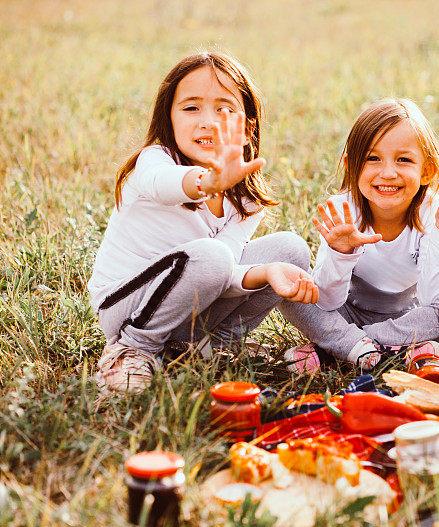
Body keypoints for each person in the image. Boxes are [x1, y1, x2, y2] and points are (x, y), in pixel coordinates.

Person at [89, 51, 319, 393]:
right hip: (125, 307)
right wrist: (206, 182)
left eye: (224, 109)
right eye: (191, 107)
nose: (207, 121)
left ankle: (213, 347)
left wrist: (267, 273)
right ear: (169, 118)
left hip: (188, 310)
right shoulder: (156, 162)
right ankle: (131, 351)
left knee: (289, 250)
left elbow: (221, 273)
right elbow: (162, 185)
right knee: (212, 254)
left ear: (247, 128)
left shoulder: (246, 201)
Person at [280, 98, 439, 373]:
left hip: (409, 318)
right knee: (289, 286)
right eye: (373, 158)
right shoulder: (343, 211)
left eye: (404, 160)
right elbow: (328, 300)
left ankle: (341, 347)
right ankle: (403, 350)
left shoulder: (435, 212)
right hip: (345, 312)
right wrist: (340, 253)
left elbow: (436, 299)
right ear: (352, 166)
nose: (388, 172)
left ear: (427, 170)